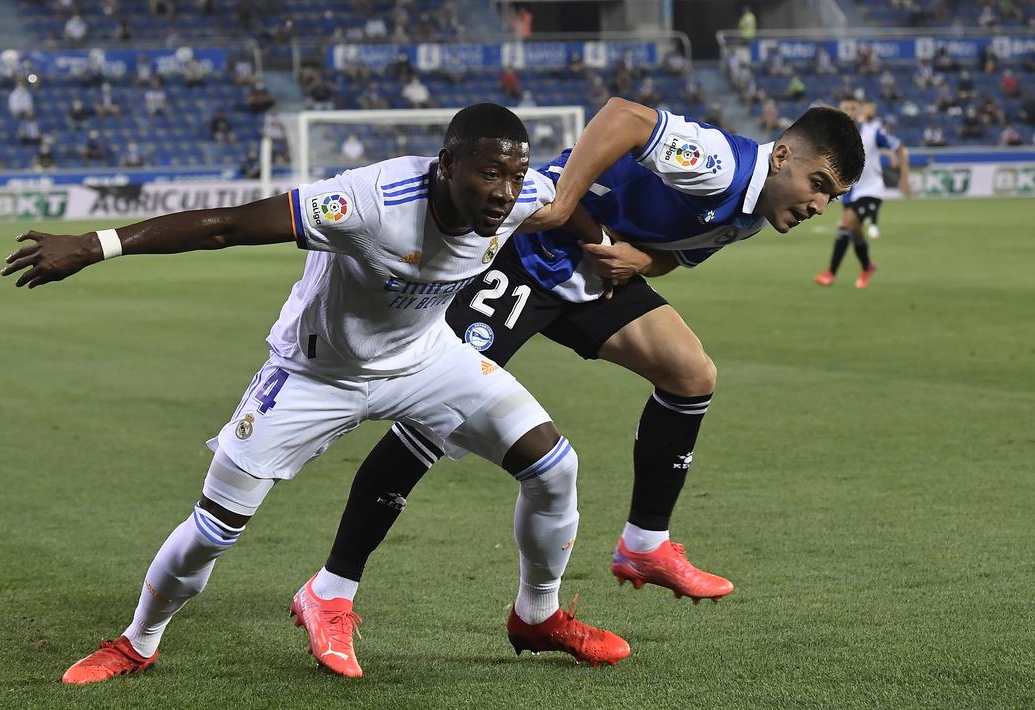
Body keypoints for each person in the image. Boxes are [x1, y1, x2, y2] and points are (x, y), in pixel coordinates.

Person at [2, 103, 628, 684]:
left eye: (515, 175)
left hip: (427, 361)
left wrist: (603, 250)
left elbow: (561, 201)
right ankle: (137, 640)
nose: (504, 192)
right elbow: (228, 226)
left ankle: (536, 615)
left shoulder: (518, 197)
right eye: (489, 174)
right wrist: (93, 246)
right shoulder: (367, 200)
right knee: (214, 529)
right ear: (446, 165)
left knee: (553, 466)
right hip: (314, 375)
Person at [308, 98, 864, 639]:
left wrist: (644, 261)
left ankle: (644, 545)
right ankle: (331, 589)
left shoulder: (754, 213)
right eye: (818, 184)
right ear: (784, 156)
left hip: (591, 274)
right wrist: (564, 198)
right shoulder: (719, 163)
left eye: (833, 197)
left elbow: (671, 253)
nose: (820, 206)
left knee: (691, 374)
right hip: (524, 257)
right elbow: (624, 115)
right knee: (431, 418)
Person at [815, 96, 910, 288]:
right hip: (851, 192)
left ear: (859, 111)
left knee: (844, 225)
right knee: (856, 233)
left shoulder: (872, 132)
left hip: (871, 190)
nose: (849, 112)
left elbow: (900, 147)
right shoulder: (836, 138)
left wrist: (904, 177)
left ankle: (830, 273)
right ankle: (867, 266)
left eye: (853, 108)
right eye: (845, 108)